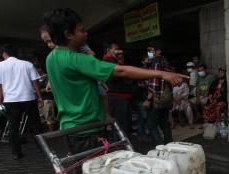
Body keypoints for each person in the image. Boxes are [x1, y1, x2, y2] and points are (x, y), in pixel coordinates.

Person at [42, 8, 185, 153]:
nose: (86, 34)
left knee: (83, 171)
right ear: (68, 34)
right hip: (87, 130)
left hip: (70, 128)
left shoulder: (51, 58)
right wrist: (161, 74)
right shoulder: (77, 59)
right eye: (81, 30)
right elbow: (120, 70)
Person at [0, 44, 43, 159]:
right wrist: (40, 97)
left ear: (5, 53)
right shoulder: (27, 64)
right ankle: (44, 148)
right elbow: (35, 82)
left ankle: (16, 152)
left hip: (11, 101)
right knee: (35, 124)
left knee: (13, 126)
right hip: (29, 98)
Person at [144, 40, 173, 146]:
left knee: (151, 125)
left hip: (157, 98)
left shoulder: (156, 62)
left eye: (151, 50)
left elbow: (154, 84)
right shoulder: (164, 62)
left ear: (158, 51)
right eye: (148, 50)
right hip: (166, 98)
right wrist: (147, 65)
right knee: (164, 123)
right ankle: (169, 145)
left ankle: (160, 147)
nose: (149, 53)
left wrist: (148, 99)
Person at [102, 42, 133, 136]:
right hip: (117, 98)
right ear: (108, 51)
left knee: (125, 126)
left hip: (122, 97)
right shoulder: (107, 62)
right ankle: (120, 148)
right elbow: (115, 77)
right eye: (116, 49)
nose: (119, 51)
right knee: (120, 127)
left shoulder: (116, 61)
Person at [36, 65, 56, 132]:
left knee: (49, 117)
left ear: (40, 69)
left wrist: (37, 90)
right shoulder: (37, 78)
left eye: (36, 69)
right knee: (42, 118)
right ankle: (45, 133)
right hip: (40, 99)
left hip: (48, 99)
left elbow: (49, 89)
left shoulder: (47, 76)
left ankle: (51, 133)